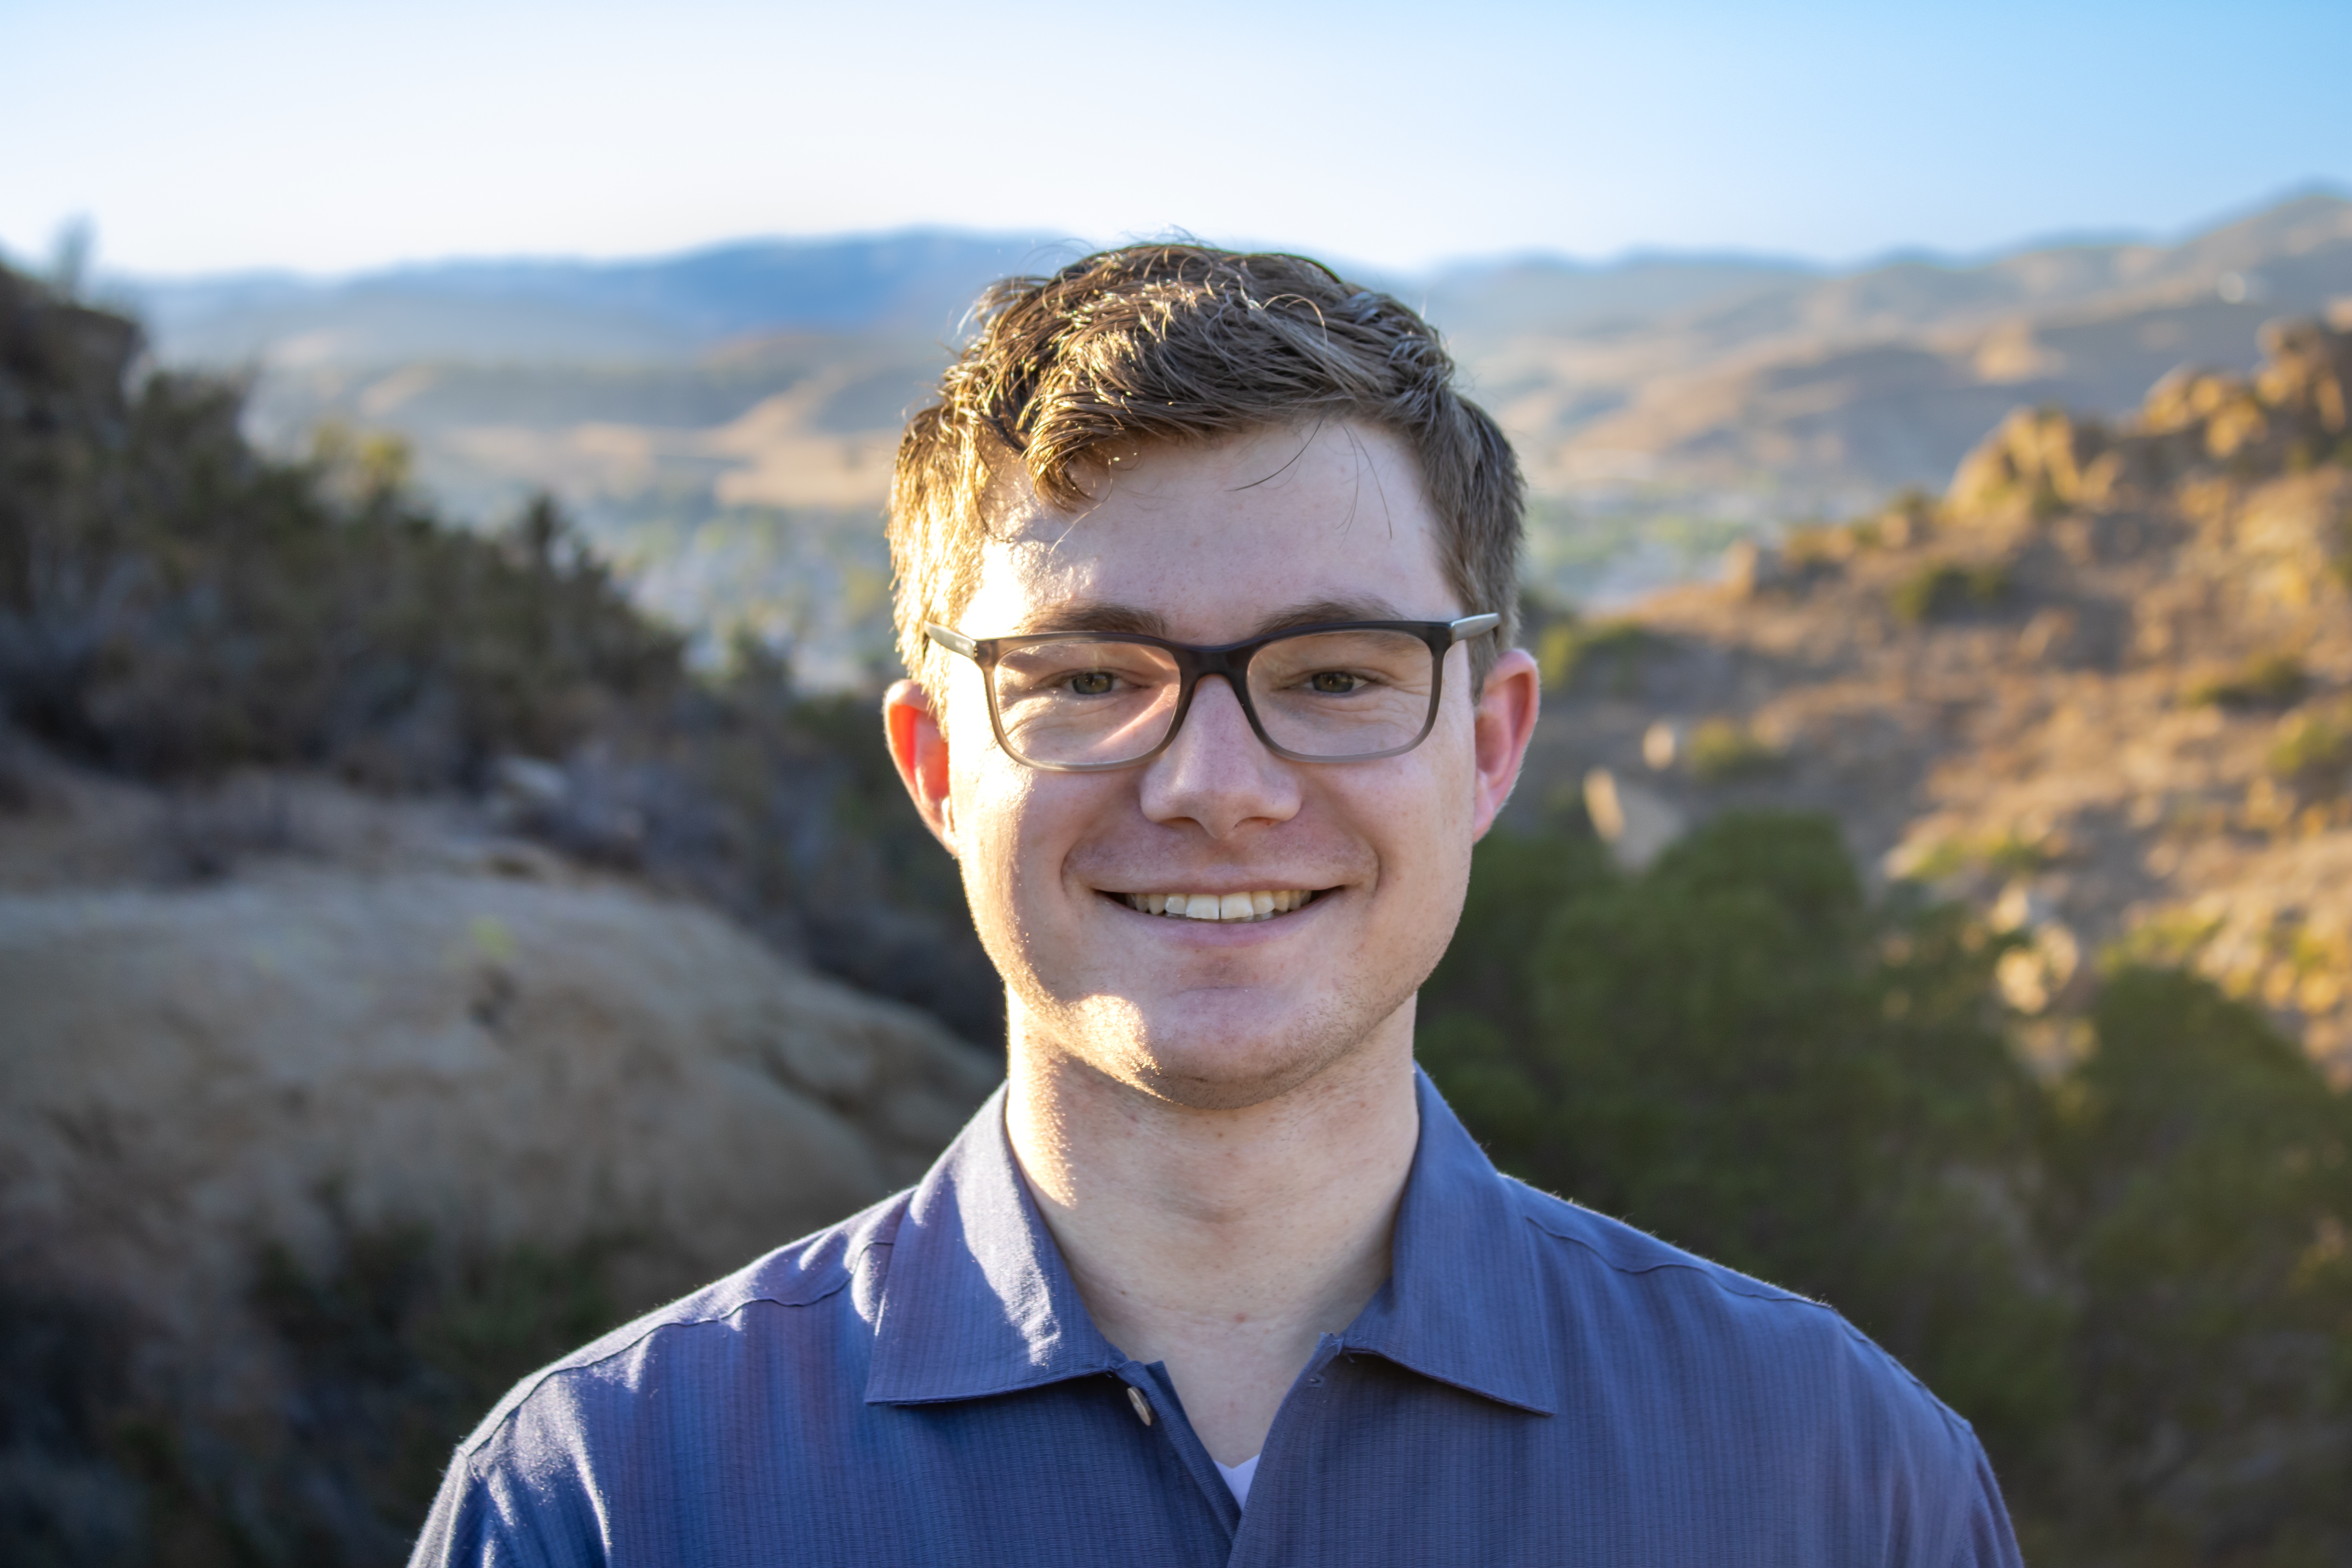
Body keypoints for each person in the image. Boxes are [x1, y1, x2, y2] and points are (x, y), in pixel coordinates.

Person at [411, 245, 2022, 1565]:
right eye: (1091, 677)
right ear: (936, 763)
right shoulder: (607, 1505)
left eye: (1333, 674)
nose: (1214, 782)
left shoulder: (1842, 1483)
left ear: (1489, 742)